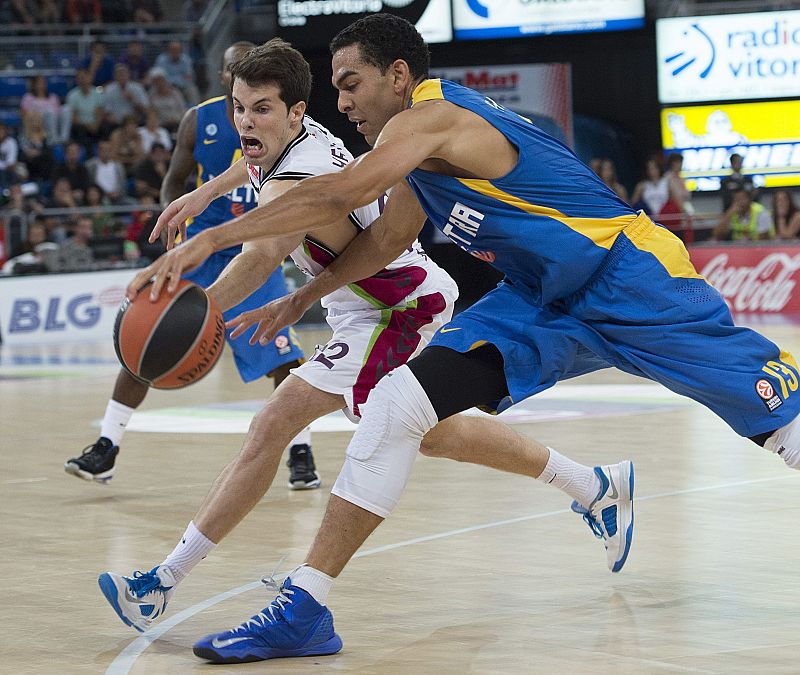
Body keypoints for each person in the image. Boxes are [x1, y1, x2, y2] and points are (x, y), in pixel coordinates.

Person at [122, 15, 800, 663]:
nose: (342, 100)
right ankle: (306, 606)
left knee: (781, 421)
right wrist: (304, 295)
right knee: (397, 406)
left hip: (627, 274)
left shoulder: (434, 117)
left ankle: (599, 482)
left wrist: (210, 236)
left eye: (350, 83)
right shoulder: (416, 153)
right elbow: (386, 238)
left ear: (396, 75)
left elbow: (337, 195)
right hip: (539, 299)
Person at [99, 38, 630, 644]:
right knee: (432, 434)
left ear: (296, 112)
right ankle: (595, 486)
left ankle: (166, 582)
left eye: (262, 109)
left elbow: (261, 254)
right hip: (365, 304)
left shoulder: (289, 181)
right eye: (238, 108)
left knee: (278, 421)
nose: (246, 121)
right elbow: (246, 167)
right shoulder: (279, 140)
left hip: (397, 305)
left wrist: (189, 316)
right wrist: (207, 192)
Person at [64, 42, 313, 489]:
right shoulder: (198, 120)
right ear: (224, 77)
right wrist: (174, 218)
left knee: (282, 354)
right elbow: (174, 181)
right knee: (144, 337)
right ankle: (106, 446)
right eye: (235, 71)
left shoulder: (282, 122)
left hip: (257, 245)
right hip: (200, 247)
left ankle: (301, 452)